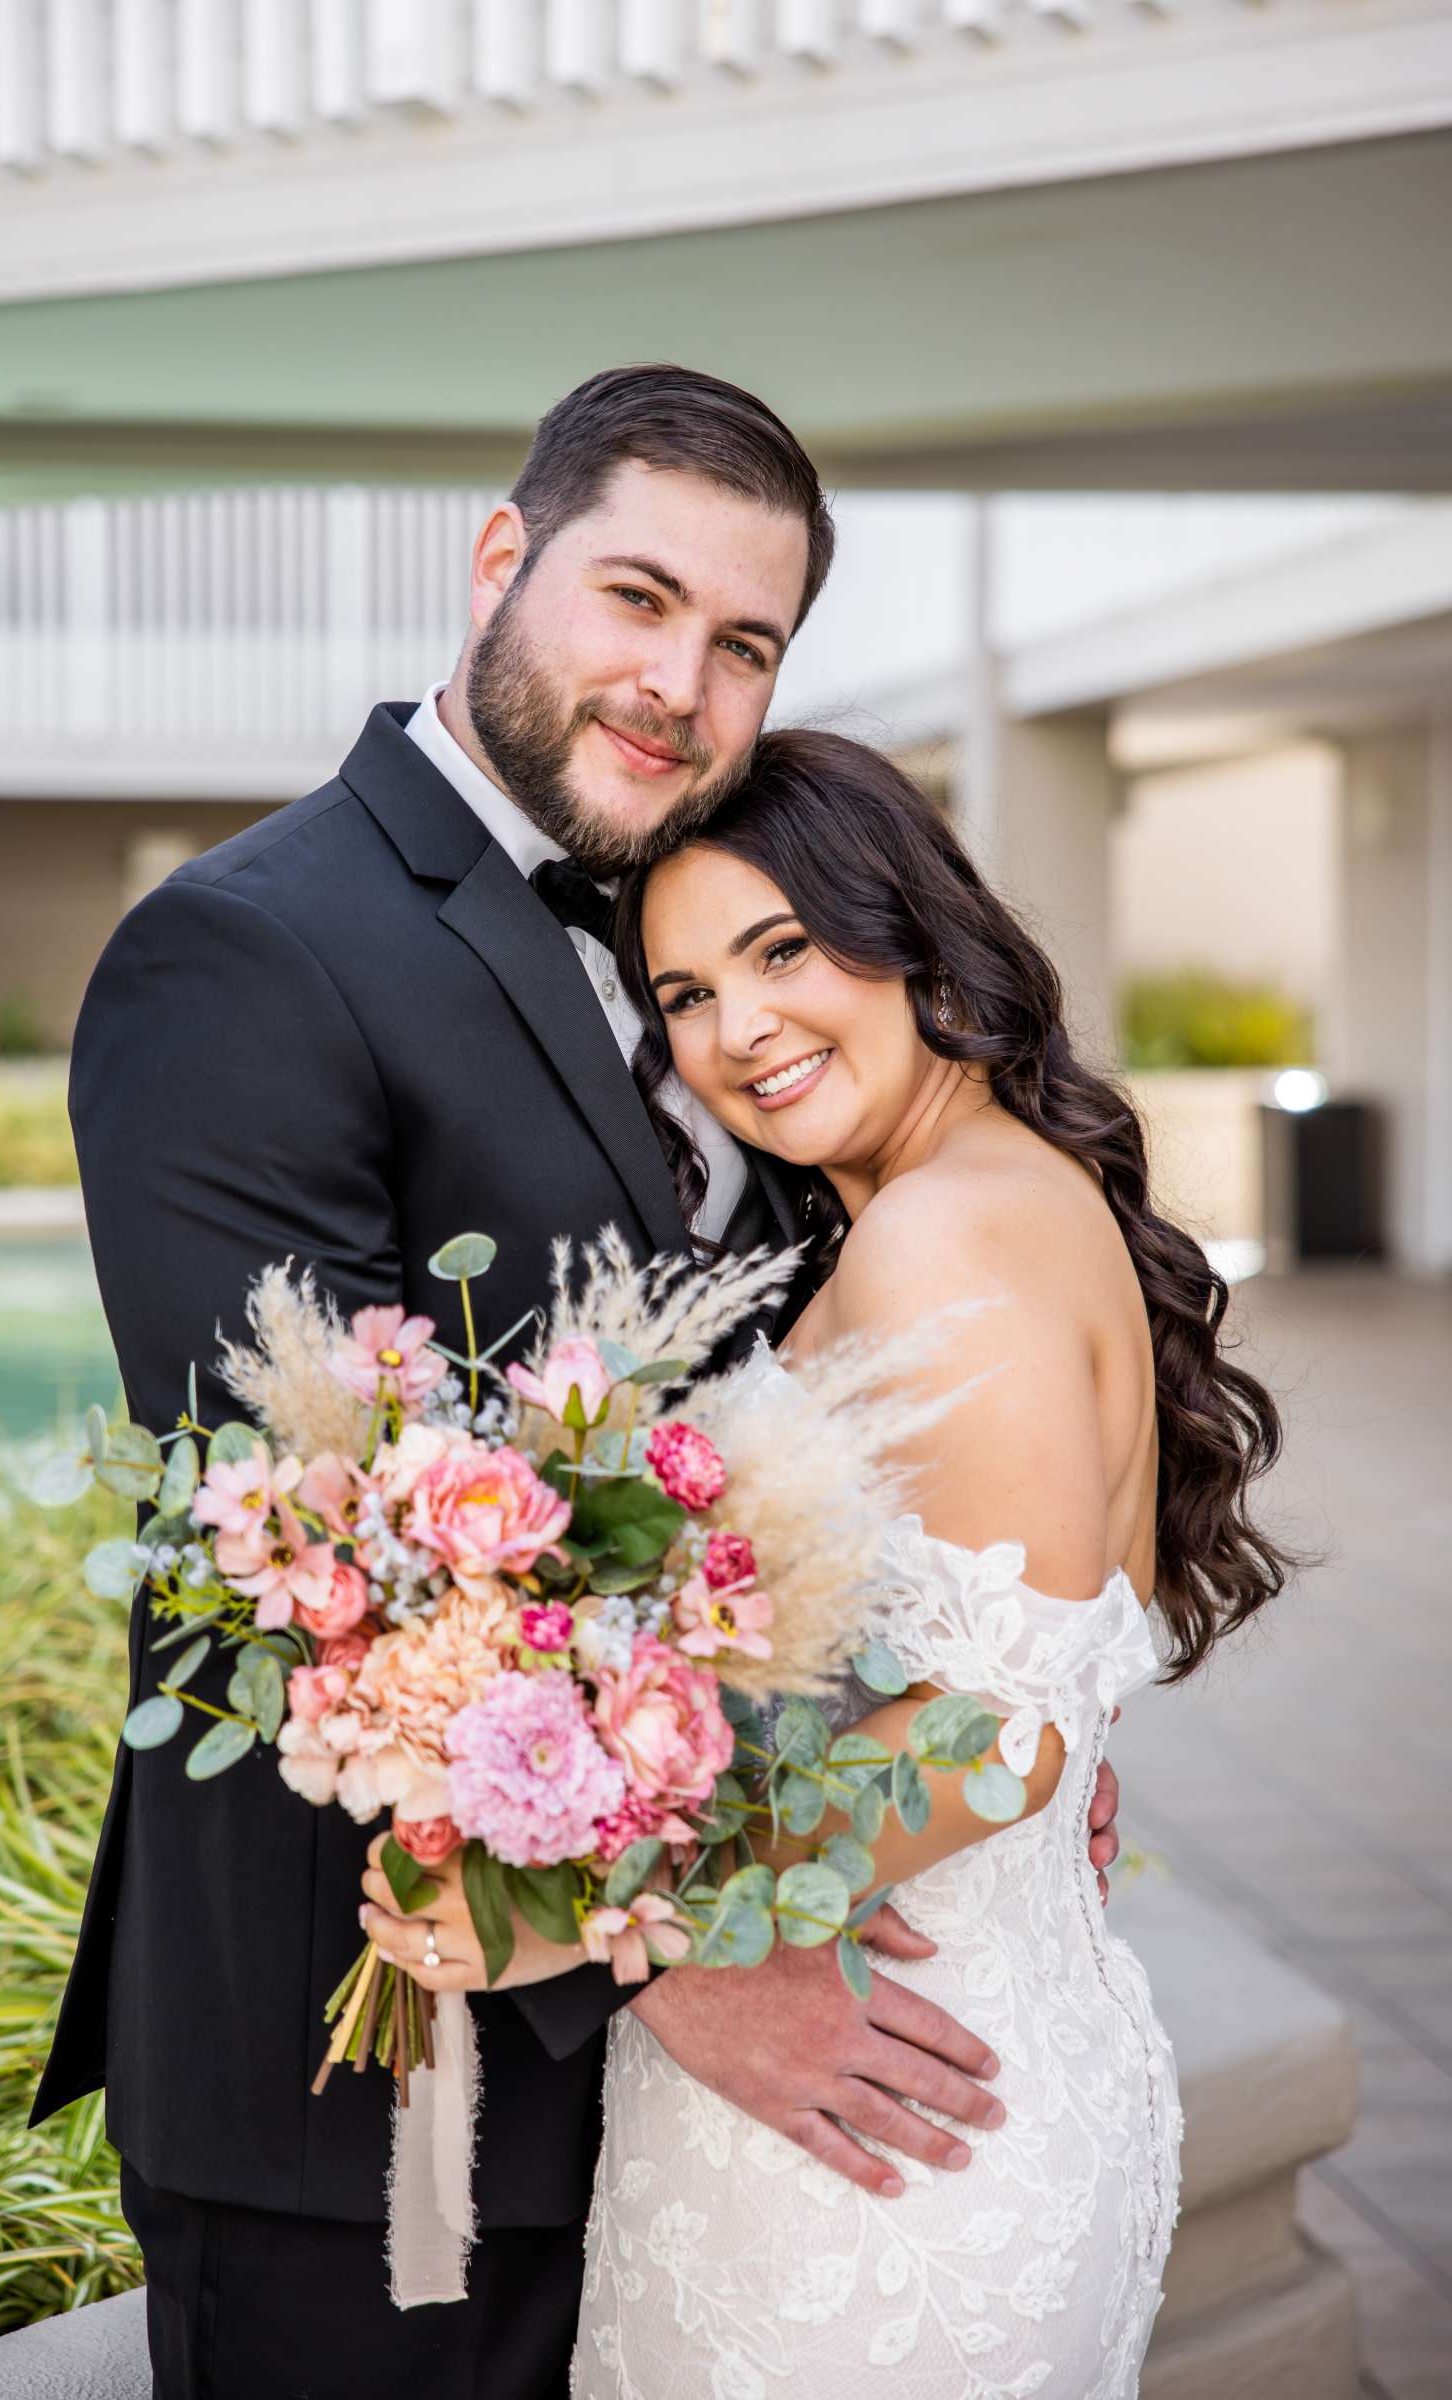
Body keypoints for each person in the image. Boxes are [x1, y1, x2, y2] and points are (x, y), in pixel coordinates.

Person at [34, 366, 1123, 2400]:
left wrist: (974, 1716)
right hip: (367, 2086)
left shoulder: (720, 936)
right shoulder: (249, 951)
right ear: (499, 562)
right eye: (634, 598)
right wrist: (666, 1956)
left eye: (742, 645)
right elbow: (307, 1550)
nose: (677, 682)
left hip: (702, 2085)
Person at [366, 730, 1290, 2395]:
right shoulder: (973, 1198)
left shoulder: (944, 1233)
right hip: (930, 2064)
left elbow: (1000, 1737)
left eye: (782, 951)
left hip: (885, 2138)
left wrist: (577, 1910)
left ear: (916, 931)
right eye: (689, 996)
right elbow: (1036, 1690)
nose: (741, 1032)